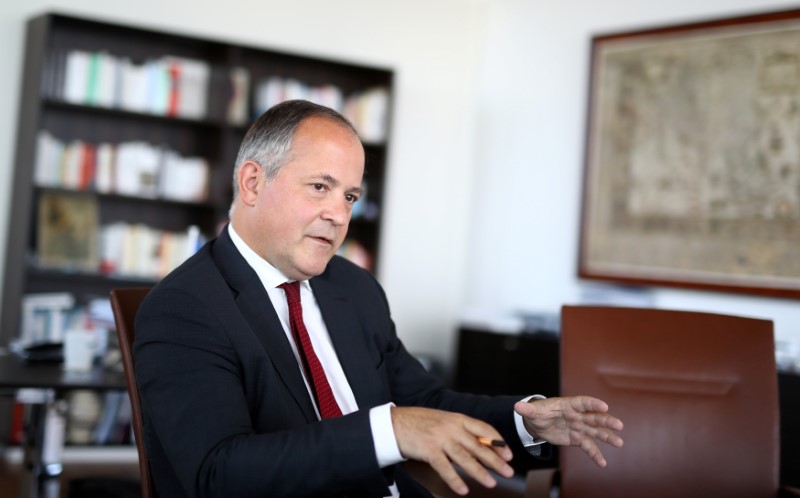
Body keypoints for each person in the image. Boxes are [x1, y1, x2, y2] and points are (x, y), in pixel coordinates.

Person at [134, 99, 624, 498]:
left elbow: (424, 402)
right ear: (253, 182)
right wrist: (388, 431)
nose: (338, 214)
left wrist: (526, 422)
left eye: (349, 196)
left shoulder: (353, 287)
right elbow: (217, 474)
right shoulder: (185, 308)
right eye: (320, 187)